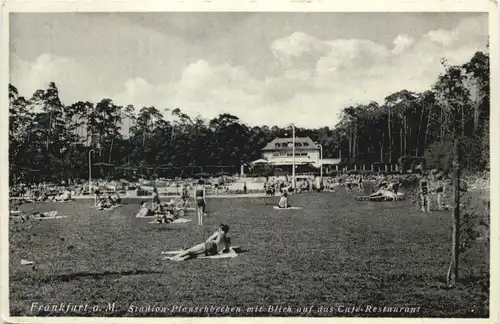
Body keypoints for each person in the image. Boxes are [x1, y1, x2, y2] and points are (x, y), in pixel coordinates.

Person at [165, 224, 231, 261]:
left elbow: (208, 241)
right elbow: (227, 250)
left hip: (209, 245)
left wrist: (213, 240)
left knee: (190, 250)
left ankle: (173, 257)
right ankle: (181, 258)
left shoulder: (219, 233)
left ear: (221, 229)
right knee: (194, 255)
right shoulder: (228, 239)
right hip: (214, 252)